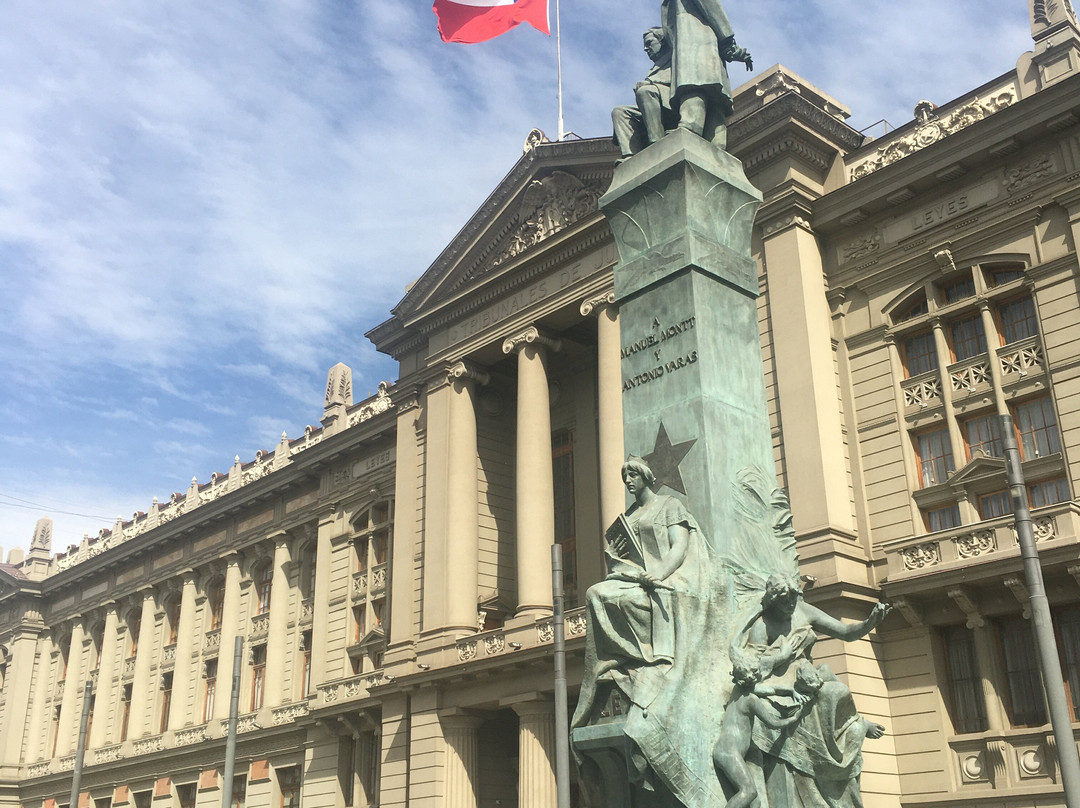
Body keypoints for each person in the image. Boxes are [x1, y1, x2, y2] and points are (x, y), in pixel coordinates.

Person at [571, 456, 699, 729]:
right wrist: (614, 556)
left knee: (628, 599)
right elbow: (621, 559)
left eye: (633, 475)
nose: (628, 481)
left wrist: (659, 573)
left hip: (665, 576)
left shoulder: (669, 505)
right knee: (595, 593)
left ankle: (650, 657)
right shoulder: (628, 516)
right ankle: (618, 659)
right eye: (625, 477)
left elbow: (679, 546)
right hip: (634, 577)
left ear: (646, 476)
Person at [713, 656, 816, 808]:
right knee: (749, 792)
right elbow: (773, 723)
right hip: (729, 753)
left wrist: (791, 691)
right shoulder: (751, 700)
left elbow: (770, 689)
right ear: (753, 677)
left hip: (725, 751)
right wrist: (794, 718)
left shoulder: (738, 690)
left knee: (755, 803)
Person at [661, 0, 753, 149]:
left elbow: (711, 6)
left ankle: (691, 125)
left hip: (698, 42)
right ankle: (717, 143)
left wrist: (729, 45)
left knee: (696, 83)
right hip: (695, 43)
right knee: (711, 91)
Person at [612, 27, 675, 159]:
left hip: (673, 103)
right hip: (656, 104)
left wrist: (651, 83)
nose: (646, 49)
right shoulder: (655, 68)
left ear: (662, 41)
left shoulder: (675, 57)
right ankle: (630, 157)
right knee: (619, 112)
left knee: (645, 92)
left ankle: (657, 143)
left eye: (649, 43)